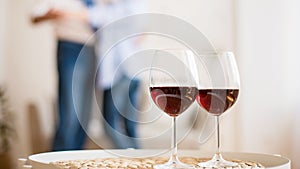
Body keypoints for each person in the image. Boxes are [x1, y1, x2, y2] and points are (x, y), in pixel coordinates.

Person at [31, 0, 97, 151]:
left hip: (92, 49)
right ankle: (57, 161)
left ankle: (75, 160)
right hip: (70, 47)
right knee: (70, 113)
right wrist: (63, 14)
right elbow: (35, 15)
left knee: (84, 118)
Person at [88, 0, 145, 148]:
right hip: (134, 71)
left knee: (110, 125)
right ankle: (141, 161)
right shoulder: (136, 6)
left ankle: (135, 160)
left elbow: (92, 16)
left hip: (119, 73)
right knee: (130, 127)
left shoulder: (114, 9)